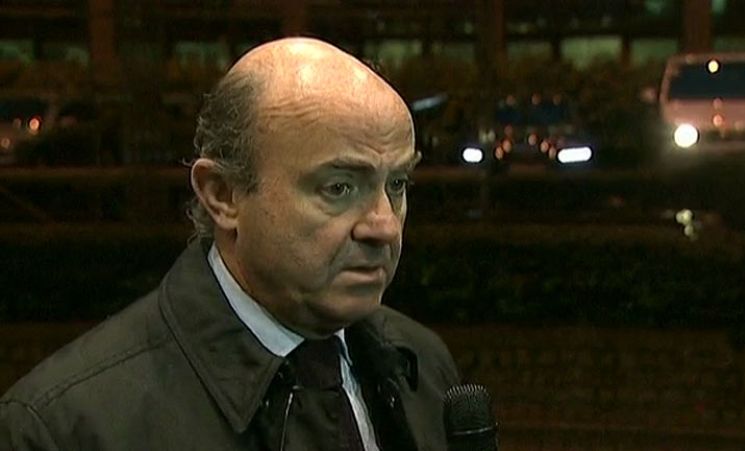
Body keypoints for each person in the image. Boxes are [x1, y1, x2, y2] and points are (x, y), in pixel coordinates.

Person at [0, 37, 460, 450]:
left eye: (397, 184)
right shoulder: (64, 428)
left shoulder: (423, 363)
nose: (384, 226)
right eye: (338, 188)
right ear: (222, 195)